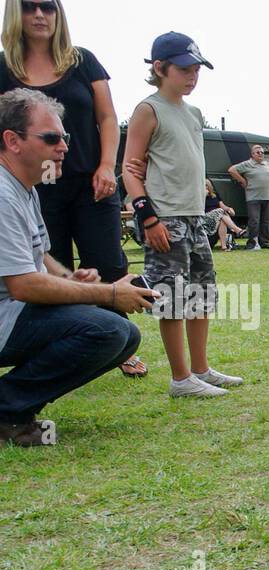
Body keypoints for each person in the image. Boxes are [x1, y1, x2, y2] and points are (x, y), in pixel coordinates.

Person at [0, 88, 157, 445]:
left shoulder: (25, 187)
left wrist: (71, 280)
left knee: (123, 334)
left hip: (10, 312)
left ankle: (12, 407)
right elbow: (24, 285)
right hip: (7, 312)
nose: (64, 146)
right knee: (108, 331)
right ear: (13, 141)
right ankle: (7, 409)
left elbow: (39, 257)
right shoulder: (3, 194)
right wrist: (109, 293)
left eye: (65, 137)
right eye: (52, 138)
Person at [0, 0, 145, 378]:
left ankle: (115, 343)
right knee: (46, 263)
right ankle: (58, 348)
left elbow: (108, 117)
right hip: (36, 184)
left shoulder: (82, 60)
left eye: (47, 7)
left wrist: (105, 166)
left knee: (107, 262)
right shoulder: (3, 67)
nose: (39, 15)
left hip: (89, 179)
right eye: (29, 7)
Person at [122, 31, 241, 398]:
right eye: (185, 69)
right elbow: (130, 168)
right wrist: (148, 217)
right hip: (166, 217)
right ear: (160, 68)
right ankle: (180, 378)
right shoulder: (148, 109)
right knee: (172, 298)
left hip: (194, 217)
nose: (192, 76)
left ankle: (201, 368)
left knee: (201, 295)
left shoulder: (193, 113)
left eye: (197, 69)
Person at [228, 143, 269, 249]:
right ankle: (252, 242)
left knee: (266, 221)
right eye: (258, 152)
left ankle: (264, 242)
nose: (261, 154)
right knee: (254, 220)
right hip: (253, 197)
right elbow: (232, 170)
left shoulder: (267, 164)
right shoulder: (247, 164)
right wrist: (242, 180)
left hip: (268, 197)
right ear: (252, 154)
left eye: (262, 152)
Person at [204, 178, 243, 251]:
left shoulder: (215, 195)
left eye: (206, 185)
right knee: (220, 211)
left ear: (210, 186)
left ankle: (224, 246)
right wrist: (203, 196)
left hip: (217, 218)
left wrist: (229, 209)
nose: (205, 187)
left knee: (222, 220)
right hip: (205, 218)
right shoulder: (199, 197)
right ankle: (237, 230)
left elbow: (223, 206)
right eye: (203, 185)